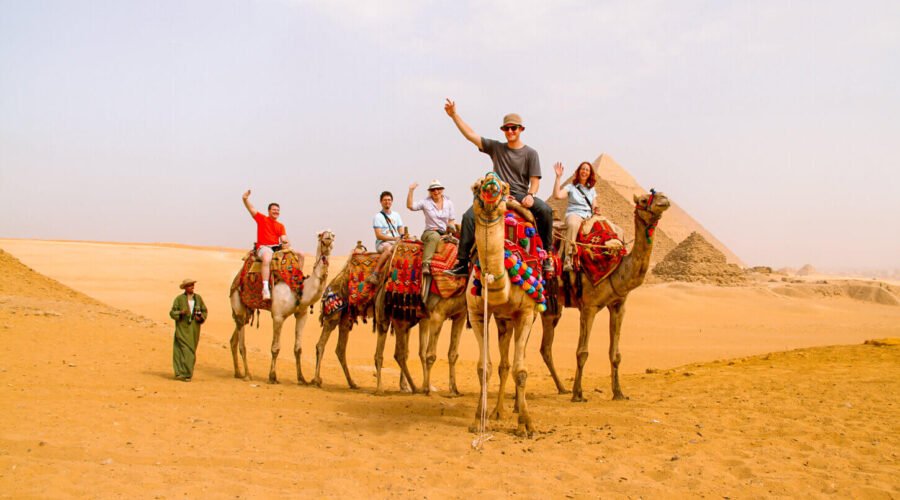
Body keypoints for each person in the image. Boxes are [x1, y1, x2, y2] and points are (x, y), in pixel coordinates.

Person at [443, 99, 554, 276]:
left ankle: (547, 255)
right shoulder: (496, 148)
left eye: (514, 128)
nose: (510, 131)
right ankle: (462, 262)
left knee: (546, 211)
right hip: (497, 194)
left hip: (520, 195)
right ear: (503, 131)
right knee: (468, 217)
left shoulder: (531, 153)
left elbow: (535, 180)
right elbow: (471, 135)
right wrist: (454, 115)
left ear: (521, 129)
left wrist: (531, 195)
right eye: (507, 128)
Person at [242, 189, 288, 299]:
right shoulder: (262, 219)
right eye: (274, 210)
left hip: (276, 248)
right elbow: (251, 209)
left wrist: (285, 241)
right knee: (267, 258)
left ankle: (296, 284)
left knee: (298, 255)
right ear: (269, 211)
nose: (276, 211)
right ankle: (265, 288)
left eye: (278, 210)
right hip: (264, 247)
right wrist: (245, 199)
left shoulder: (280, 225)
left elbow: (283, 237)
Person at [552, 161, 597, 271]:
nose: (584, 171)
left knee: (603, 226)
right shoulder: (570, 187)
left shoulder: (592, 189)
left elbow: (595, 204)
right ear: (578, 171)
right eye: (583, 169)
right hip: (575, 214)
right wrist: (558, 178)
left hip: (588, 216)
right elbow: (557, 195)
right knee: (573, 224)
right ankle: (568, 256)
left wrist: (596, 210)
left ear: (590, 173)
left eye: (587, 170)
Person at [406, 179, 456, 275]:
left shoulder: (449, 203)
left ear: (442, 190)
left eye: (438, 189)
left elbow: (451, 220)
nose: (436, 192)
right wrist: (411, 190)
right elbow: (410, 206)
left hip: (444, 233)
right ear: (430, 192)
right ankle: (426, 264)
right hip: (430, 232)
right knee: (434, 237)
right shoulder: (426, 202)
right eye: (433, 190)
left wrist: (451, 231)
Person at [169, 279, 207, 382]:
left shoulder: (198, 299)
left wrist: (201, 318)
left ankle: (187, 373)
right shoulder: (179, 299)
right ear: (185, 287)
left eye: (193, 285)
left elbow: (204, 311)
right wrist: (180, 313)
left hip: (194, 329)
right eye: (190, 286)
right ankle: (181, 373)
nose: (192, 287)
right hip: (182, 328)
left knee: (191, 350)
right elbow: (172, 312)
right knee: (181, 350)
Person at [367, 190, 405, 284]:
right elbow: (379, 235)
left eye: (389, 200)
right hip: (383, 243)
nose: (387, 202)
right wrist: (394, 239)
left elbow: (401, 229)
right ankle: (375, 273)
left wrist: (402, 237)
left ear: (392, 201)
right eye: (385, 200)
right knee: (388, 250)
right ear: (381, 202)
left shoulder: (396, 215)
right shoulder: (378, 217)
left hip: (396, 242)